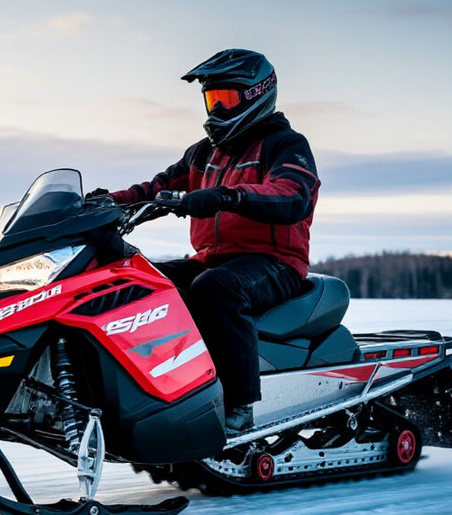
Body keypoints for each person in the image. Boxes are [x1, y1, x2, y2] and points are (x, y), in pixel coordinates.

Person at [89, 49, 320, 436]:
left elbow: (292, 194)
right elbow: (157, 188)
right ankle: (160, 389)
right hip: (213, 257)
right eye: (212, 100)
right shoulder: (203, 153)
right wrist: (108, 203)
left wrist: (231, 196)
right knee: (140, 282)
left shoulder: (286, 144)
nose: (216, 110)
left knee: (215, 288)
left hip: (274, 262)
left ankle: (239, 404)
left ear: (256, 96)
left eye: (225, 100)